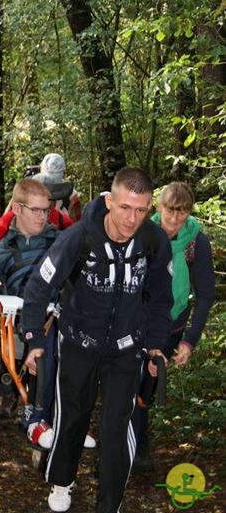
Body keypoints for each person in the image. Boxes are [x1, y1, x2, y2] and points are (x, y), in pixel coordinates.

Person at [21, 166, 173, 513]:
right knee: (72, 415)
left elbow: (161, 299)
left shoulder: (154, 241)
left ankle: (110, 504)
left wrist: (155, 345)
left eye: (141, 209)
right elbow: (39, 286)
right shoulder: (79, 237)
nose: (132, 218)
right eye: (124, 207)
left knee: (116, 428)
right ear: (109, 201)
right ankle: (62, 480)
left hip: (126, 349)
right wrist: (33, 338)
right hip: (78, 341)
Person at [0, 178, 59, 442]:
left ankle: (45, 421)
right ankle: (18, 403)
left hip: (61, 324)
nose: (42, 217)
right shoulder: (2, 250)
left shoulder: (62, 243)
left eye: (46, 210)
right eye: (35, 210)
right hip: (21, 325)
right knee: (17, 357)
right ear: (16, 209)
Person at [133, 181, 216, 473]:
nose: (175, 219)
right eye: (170, 210)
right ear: (159, 207)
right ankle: (121, 449)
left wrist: (190, 340)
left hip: (171, 325)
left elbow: (206, 293)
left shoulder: (196, 241)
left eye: (182, 213)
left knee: (148, 382)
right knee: (126, 381)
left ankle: (138, 445)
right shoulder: (143, 233)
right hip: (136, 320)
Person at [39, 153, 82, 222]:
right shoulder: (72, 196)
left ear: (41, 169)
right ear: (63, 172)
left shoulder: (30, 192)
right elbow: (76, 228)